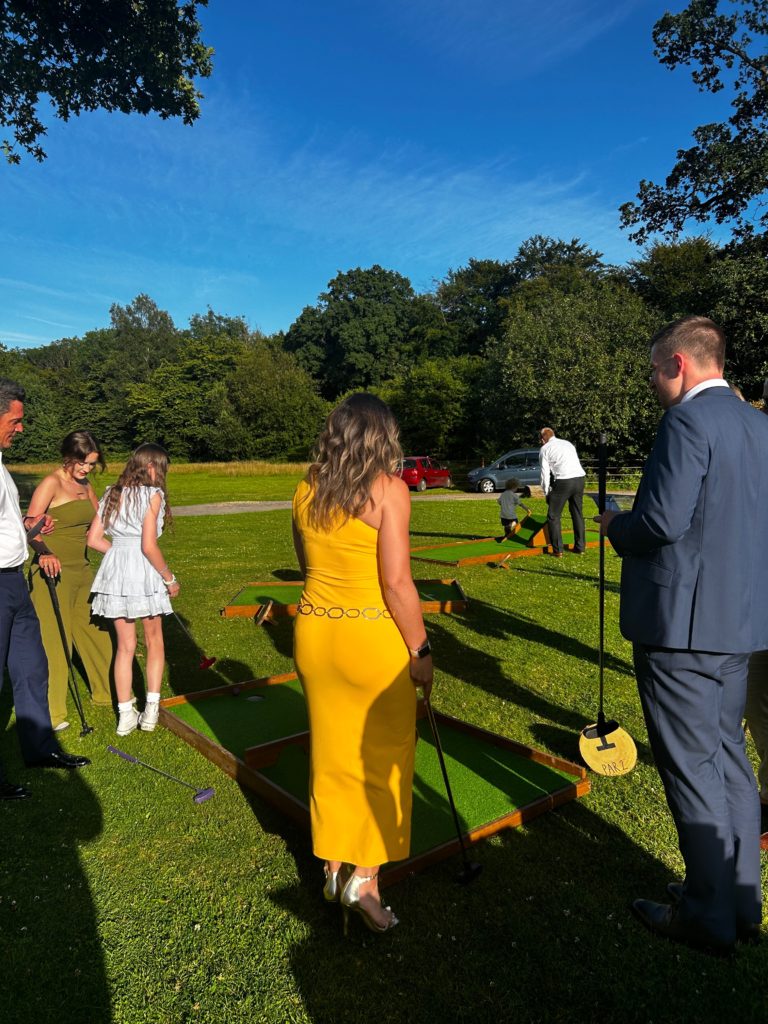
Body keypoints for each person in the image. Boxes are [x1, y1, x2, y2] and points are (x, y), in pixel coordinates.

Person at [598, 316, 768, 955]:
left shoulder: (687, 423)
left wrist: (616, 525)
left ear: (678, 364)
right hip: (741, 624)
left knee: (693, 769)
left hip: (682, 629)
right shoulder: (759, 425)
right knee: (730, 758)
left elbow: (661, 522)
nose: (652, 384)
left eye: (652, 371)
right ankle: (739, 901)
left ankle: (705, 913)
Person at [292, 393, 433, 934]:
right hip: (369, 638)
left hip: (315, 632)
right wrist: (420, 650)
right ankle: (365, 879)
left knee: (330, 753)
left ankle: (331, 866)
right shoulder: (388, 491)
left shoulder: (307, 486)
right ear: (383, 436)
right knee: (384, 755)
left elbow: (306, 563)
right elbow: (396, 583)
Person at [0, 378, 90, 799]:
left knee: (33, 667)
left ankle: (39, 750)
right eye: (15, 420)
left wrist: (30, 529)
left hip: (14, 581)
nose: (20, 428)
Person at [87, 443, 180, 736]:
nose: (162, 473)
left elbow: (93, 539)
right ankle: (151, 710)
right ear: (150, 466)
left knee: (125, 647)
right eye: (161, 467)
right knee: (154, 640)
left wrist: (118, 553)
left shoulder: (111, 493)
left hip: (116, 573)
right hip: (144, 572)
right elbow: (148, 546)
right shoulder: (153, 496)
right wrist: (169, 578)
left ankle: (126, 714)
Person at [26, 430, 114, 731]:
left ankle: (106, 694)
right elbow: (30, 529)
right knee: (55, 640)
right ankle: (53, 713)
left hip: (83, 569)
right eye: (83, 463)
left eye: (91, 464)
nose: (87, 469)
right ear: (69, 456)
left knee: (97, 631)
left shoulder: (86, 485)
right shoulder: (51, 483)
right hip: (52, 571)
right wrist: (45, 552)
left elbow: (99, 522)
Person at [538, 427, 586, 557]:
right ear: (553, 434)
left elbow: (544, 474)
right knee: (577, 512)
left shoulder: (545, 449)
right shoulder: (567, 443)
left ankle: (557, 550)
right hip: (580, 479)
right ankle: (580, 547)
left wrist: (547, 492)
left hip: (564, 480)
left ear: (543, 439)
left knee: (553, 515)